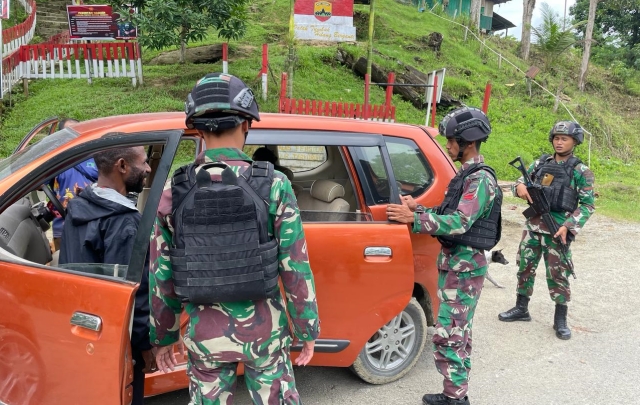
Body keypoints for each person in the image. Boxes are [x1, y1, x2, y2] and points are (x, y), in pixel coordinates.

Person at [149, 72, 320, 404]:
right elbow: (295, 268)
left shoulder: (174, 191)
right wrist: (307, 329)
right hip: (265, 333)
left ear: (197, 129)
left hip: (205, 335)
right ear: (246, 124)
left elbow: (162, 275)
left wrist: (163, 336)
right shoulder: (274, 185)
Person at [387, 107, 501, 405]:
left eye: (452, 141)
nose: (448, 146)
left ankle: (455, 399)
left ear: (469, 142)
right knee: (456, 333)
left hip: (464, 270)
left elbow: (460, 223)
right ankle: (455, 393)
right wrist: (419, 209)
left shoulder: (480, 181)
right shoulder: (466, 176)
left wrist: (413, 220)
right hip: (455, 265)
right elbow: (449, 214)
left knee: (451, 334)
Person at [59, 146, 155, 405]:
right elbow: (134, 292)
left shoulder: (79, 206)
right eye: (144, 163)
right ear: (122, 166)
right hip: (117, 340)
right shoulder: (123, 223)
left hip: (84, 327)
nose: (147, 169)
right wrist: (145, 345)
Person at [498, 121, 595, 340]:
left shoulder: (581, 171)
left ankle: (560, 319)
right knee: (524, 267)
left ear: (575, 141)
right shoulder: (540, 163)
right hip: (533, 226)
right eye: (556, 138)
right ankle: (521, 308)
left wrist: (568, 226)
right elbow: (519, 182)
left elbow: (587, 205)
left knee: (558, 274)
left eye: (565, 139)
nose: (559, 142)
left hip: (557, 229)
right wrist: (519, 187)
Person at [49, 118, 99, 250]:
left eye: (79, 130)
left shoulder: (96, 156)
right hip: (63, 227)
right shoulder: (54, 161)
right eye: (70, 132)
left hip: (93, 225)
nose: (76, 134)